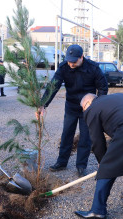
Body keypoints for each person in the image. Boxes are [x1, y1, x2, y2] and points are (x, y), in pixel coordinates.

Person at [37, 44, 108, 177]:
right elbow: (53, 86)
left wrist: (97, 106)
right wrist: (43, 104)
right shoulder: (64, 67)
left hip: (88, 108)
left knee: (85, 137)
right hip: (71, 106)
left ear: (82, 57)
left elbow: (103, 88)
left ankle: (81, 165)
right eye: (69, 60)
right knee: (67, 134)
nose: (71, 64)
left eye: (74, 61)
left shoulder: (93, 68)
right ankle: (62, 162)